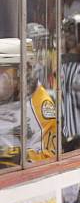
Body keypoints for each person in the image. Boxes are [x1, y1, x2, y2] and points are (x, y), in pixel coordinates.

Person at [0, 38, 56, 169]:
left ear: (22, 72)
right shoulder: (7, 97)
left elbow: (49, 155)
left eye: (2, 72)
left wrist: (18, 157)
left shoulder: (40, 105)